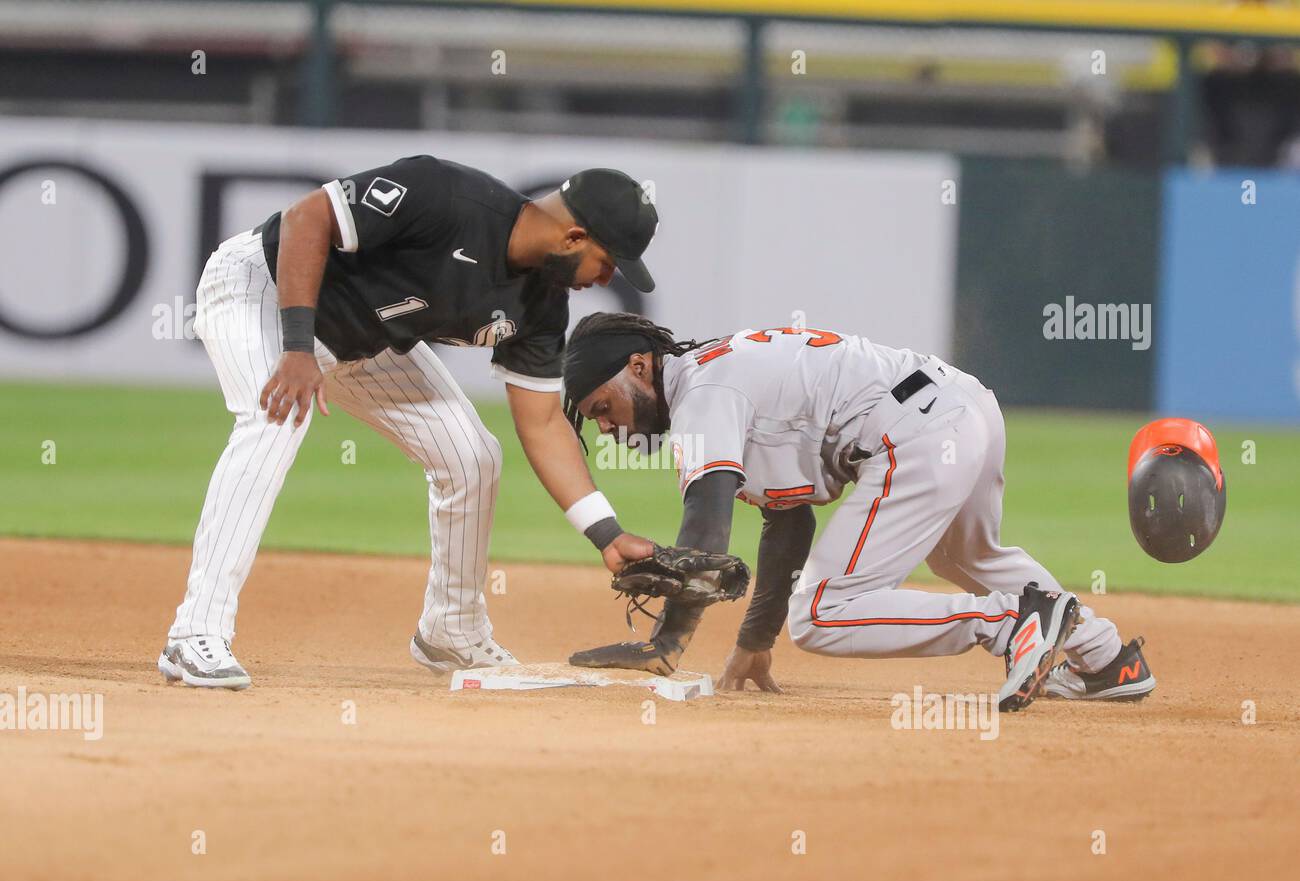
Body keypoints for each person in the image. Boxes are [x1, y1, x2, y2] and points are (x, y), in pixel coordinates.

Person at [159, 161, 657, 689]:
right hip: (261, 287)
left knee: (473, 457)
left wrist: (607, 533)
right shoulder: (445, 195)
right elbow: (307, 218)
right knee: (276, 416)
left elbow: (542, 424)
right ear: (574, 236)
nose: (605, 280)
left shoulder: (541, 306)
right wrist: (298, 346)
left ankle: (452, 630)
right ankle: (194, 634)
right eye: (607, 263)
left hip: (360, 343)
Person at [561, 312, 1156, 710]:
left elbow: (705, 530)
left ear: (639, 366)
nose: (608, 426)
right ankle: (1106, 661)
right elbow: (787, 522)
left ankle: (1006, 625)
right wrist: (754, 640)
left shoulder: (703, 394)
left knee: (821, 616)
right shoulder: (713, 376)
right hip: (960, 404)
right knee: (967, 555)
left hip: (913, 432)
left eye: (603, 405)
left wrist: (667, 640)